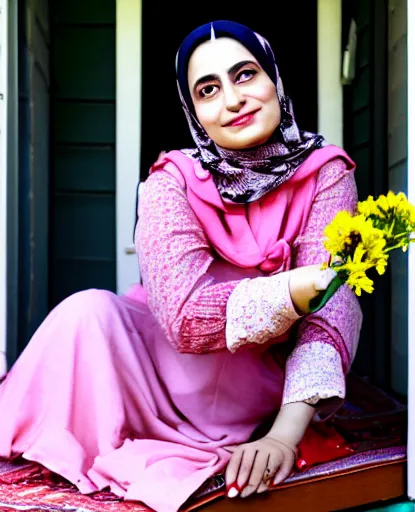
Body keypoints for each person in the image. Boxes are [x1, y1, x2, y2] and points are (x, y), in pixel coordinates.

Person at [0, 20, 362, 512]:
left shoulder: (326, 173)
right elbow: (184, 318)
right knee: (87, 311)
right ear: (194, 112)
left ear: (274, 81)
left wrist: (282, 436)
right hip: (154, 365)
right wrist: (292, 289)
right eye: (208, 89)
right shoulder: (172, 179)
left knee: (335, 297)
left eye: (246, 75)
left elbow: (328, 314)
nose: (233, 100)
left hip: (253, 383)